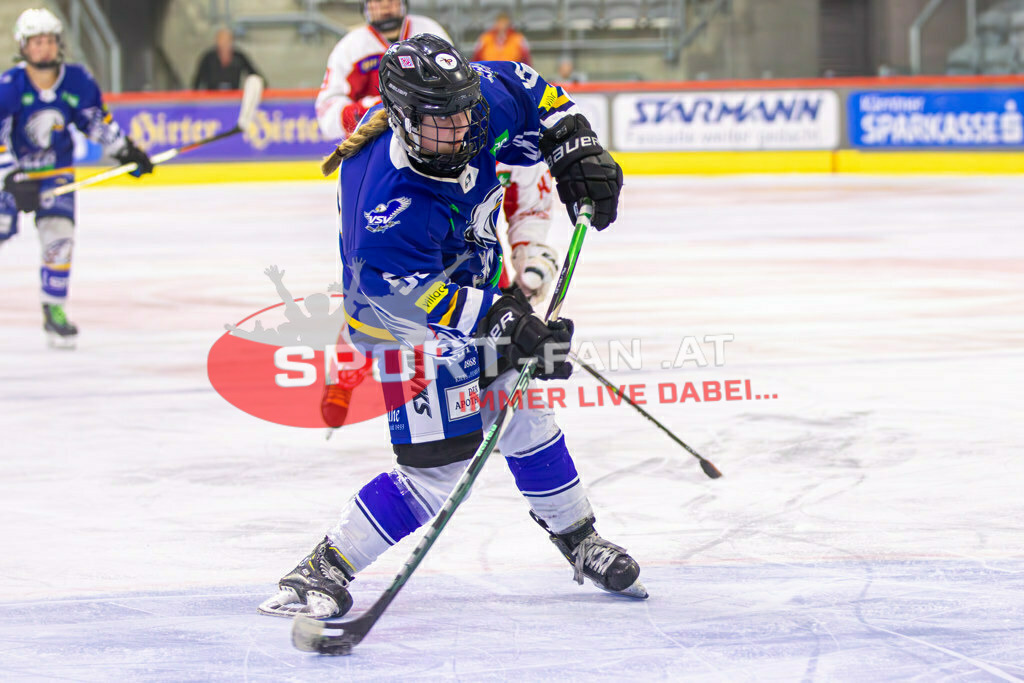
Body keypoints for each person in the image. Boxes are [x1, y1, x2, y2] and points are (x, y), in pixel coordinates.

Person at [258, 34, 635, 621]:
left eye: (466, 111)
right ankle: (323, 566)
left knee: (525, 412)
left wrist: (575, 147)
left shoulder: (466, 106)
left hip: (471, 288)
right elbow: (399, 294)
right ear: (406, 120)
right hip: (399, 324)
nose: (462, 128)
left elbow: (535, 92)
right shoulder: (383, 195)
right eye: (444, 120)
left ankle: (579, 539)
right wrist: (501, 319)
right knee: (435, 473)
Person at [314, 1, 558, 429]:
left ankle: (470, 385)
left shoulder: (431, 33)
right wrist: (380, 112)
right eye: (377, 1)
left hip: (449, 192)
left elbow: (461, 104)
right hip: (401, 177)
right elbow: (328, 111)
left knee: (475, 288)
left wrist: (528, 259)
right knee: (381, 293)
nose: (386, 6)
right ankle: (350, 373)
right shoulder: (351, 48)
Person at [0, 8, 153, 349]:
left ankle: (53, 309)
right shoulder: (9, 86)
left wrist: (127, 151)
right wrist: (10, 176)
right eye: (36, 42)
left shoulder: (78, 80)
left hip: (56, 171)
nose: (44, 48)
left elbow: (95, 122)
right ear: (23, 47)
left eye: (50, 41)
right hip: (13, 174)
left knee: (59, 237)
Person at [191, 28, 262, 91]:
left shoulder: (239, 57)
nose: (224, 43)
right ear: (217, 41)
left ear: (232, 41)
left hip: (233, 96)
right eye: (222, 40)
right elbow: (197, 80)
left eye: (227, 40)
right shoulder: (208, 57)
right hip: (212, 97)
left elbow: (255, 75)